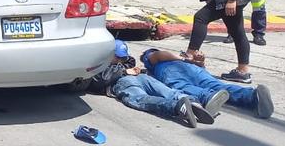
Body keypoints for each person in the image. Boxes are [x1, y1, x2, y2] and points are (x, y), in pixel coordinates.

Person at [88, 40, 218, 128]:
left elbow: (101, 79)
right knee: (155, 95)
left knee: (142, 99)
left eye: (122, 57)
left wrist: (126, 70)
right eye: (117, 57)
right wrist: (124, 70)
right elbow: (100, 78)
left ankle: (183, 104)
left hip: (132, 80)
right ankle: (188, 103)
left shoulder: (116, 63)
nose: (120, 60)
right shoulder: (99, 63)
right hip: (129, 79)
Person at [140, 48, 274, 119]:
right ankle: (251, 96)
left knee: (185, 88)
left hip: (172, 71)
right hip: (195, 70)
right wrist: (196, 62)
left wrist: (186, 60)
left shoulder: (152, 58)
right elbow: (200, 66)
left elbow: (158, 55)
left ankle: (208, 97)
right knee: (217, 85)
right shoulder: (165, 61)